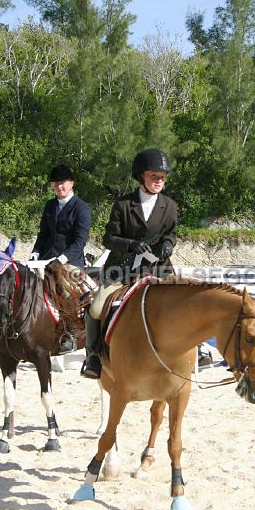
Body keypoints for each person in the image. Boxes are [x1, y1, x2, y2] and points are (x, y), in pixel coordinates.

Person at [81, 147, 177, 379]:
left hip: (157, 267)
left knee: (184, 300)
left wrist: (168, 244)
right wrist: (130, 244)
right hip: (121, 269)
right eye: (154, 176)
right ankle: (93, 356)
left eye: (162, 177)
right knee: (95, 308)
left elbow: (172, 233)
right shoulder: (123, 204)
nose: (159, 181)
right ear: (141, 176)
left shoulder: (170, 206)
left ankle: (199, 349)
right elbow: (108, 238)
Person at [29, 164, 91, 353]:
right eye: (55, 184)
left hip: (70, 261)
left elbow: (80, 241)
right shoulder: (50, 205)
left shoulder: (81, 208)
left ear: (71, 183)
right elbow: (43, 234)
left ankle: (70, 332)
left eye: (62, 183)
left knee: (65, 290)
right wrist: (35, 253)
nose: (59, 187)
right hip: (46, 259)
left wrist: (62, 259)